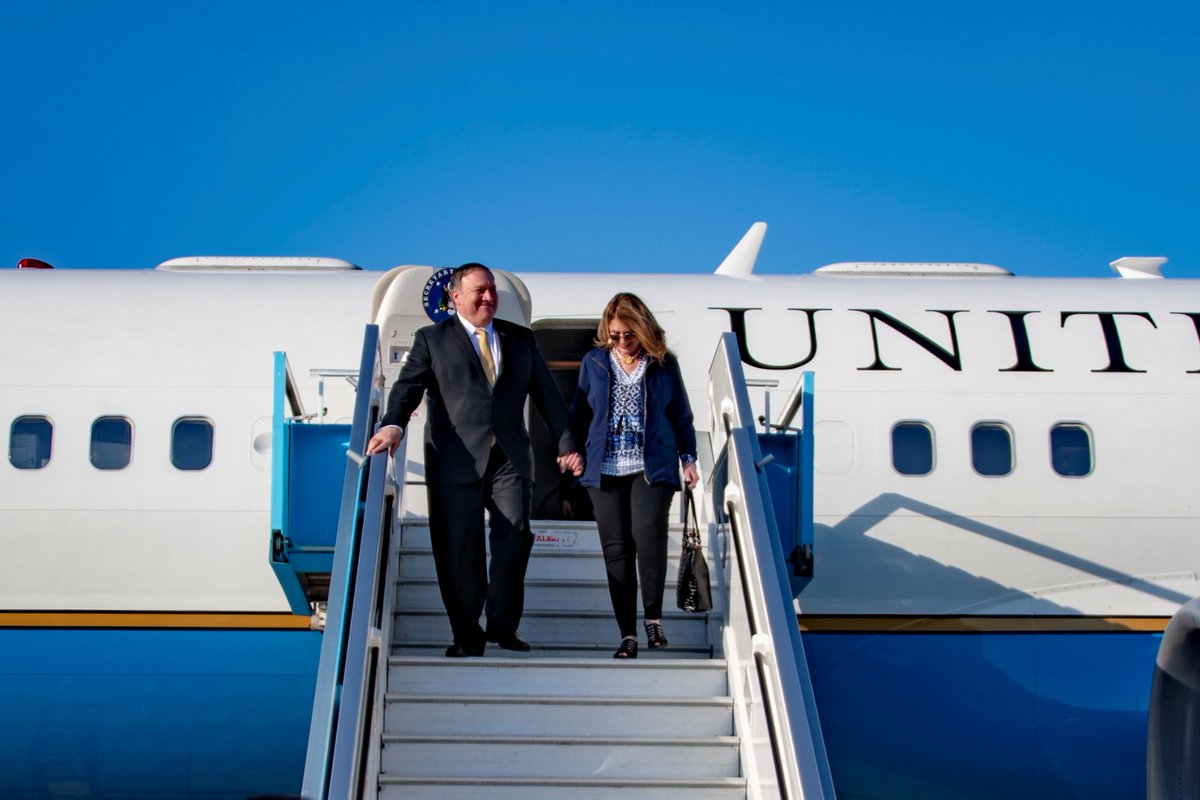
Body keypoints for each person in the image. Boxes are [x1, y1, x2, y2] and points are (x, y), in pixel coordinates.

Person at [366, 263, 582, 658]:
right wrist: (393, 424)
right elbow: (408, 386)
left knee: (515, 537)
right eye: (479, 291)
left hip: (510, 458)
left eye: (492, 290)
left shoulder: (520, 339)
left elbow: (548, 396)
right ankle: (467, 634)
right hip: (456, 459)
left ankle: (502, 625)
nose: (488, 297)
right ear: (456, 297)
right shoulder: (432, 339)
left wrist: (567, 444)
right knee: (458, 548)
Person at [570, 293, 699, 659]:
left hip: (651, 466)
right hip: (604, 469)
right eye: (615, 335)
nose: (622, 342)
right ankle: (627, 634)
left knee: (648, 536)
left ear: (643, 330)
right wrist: (571, 450)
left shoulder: (663, 363)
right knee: (616, 550)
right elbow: (579, 413)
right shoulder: (594, 362)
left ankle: (653, 618)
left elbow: (680, 415)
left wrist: (688, 459)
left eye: (629, 335)